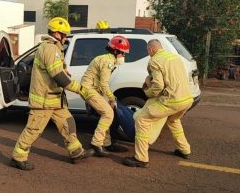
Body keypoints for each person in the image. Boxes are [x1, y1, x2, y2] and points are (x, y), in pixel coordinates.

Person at [11, 17, 91, 171]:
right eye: (64, 34)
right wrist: (79, 89)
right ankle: (18, 157)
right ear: (56, 33)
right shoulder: (49, 48)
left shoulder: (54, 48)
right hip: (44, 100)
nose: (66, 38)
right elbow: (58, 76)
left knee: (68, 122)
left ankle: (76, 152)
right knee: (33, 130)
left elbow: (57, 70)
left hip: (54, 99)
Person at [123, 39, 194, 168]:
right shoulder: (175, 57)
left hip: (171, 101)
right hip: (187, 100)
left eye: (148, 51)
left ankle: (141, 158)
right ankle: (185, 150)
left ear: (150, 50)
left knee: (141, 120)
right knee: (173, 121)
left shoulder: (154, 61)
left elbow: (158, 86)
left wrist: (148, 93)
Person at [81, 36, 130, 156]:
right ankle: (96, 144)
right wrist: (112, 98)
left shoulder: (108, 60)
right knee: (108, 113)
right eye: (123, 53)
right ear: (116, 51)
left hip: (93, 90)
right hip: (89, 90)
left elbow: (101, 84)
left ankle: (107, 143)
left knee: (109, 113)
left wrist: (108, 99)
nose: (124, 56)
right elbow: (104, 84)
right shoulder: (108, 62)